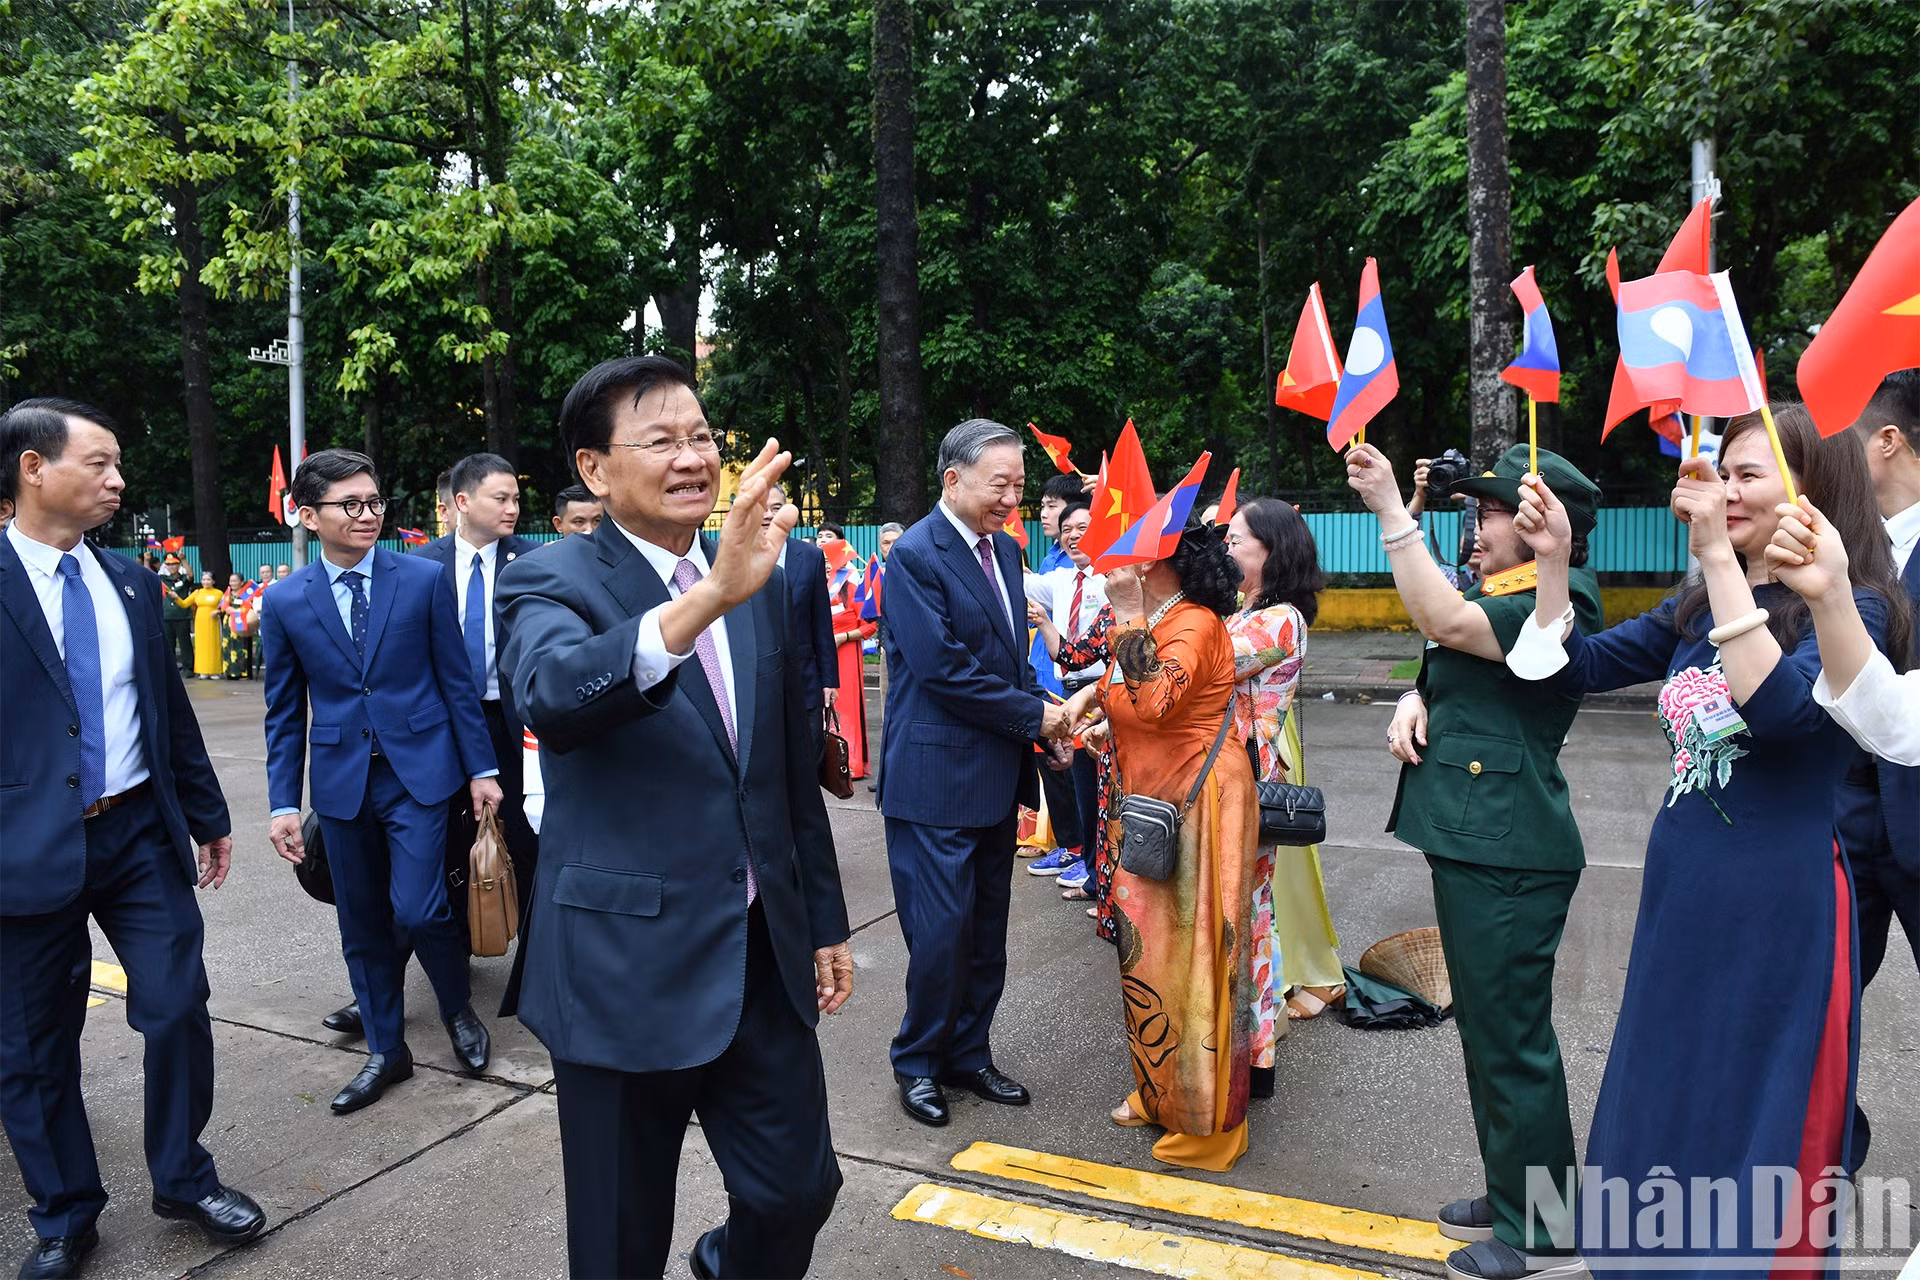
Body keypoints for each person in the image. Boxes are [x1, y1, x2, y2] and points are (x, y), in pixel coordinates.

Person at [1509, 405, 1911, 1278]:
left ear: (1814, 492)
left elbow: (1777, 711)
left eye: (1749, 474)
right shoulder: (1694, 602)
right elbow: (1576, 669)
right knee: (1669, 1089)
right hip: (1682, 894)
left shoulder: (1857, 609)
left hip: (1783, 906)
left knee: (1756, 1113)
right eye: (1720, 472)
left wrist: (1722, 561)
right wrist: (1552, 563)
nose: (1725, 490)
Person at [495, 355, 852, 1280]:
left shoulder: (763, 578)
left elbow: (780, 772)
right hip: (623, 966)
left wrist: (822, 922)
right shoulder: (550, 576)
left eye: (702, 437)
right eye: (661, 440)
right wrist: (706, 599)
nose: (692, 457)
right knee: (618, 1242)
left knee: (797, 1191)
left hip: (757, 954)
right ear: (594, 468)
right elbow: (554, 695)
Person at [0, 398, 266, 1280]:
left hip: (137, 838)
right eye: (100, 463)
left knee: (179, 1004)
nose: (118, 481)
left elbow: (167, 711)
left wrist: (209, 816)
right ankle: (65, 1212)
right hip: (21, 854)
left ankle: (184, 1178)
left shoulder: (127, 581)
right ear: (34, 468)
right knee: (34, 1048)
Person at [1347, 441, 1604, 1280]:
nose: (1478, 525)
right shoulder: (1507, 589)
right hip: (1480, 838)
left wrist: (1393, 509)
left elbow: (1445, 624)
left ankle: (1543, 1231)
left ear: (1542, 529)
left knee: (1512, 1042)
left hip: (1510, 848)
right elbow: (1452, 657)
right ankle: (1513, 1191)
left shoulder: (1560, 600)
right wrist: (1418, 695)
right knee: (1488, 1037)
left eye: (1492, 513)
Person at [260, 449, 501, 1115]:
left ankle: (458, 1012)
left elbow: (457, 683)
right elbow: (284, 711)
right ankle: (386, 1051)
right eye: (350, 505)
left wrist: (481, 770)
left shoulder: (420, 581)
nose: (368, 515)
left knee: (422, 908)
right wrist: (284, 801)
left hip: (421, 772)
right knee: (361, 921)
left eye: (374, 502)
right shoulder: (284, 601)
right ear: (308, 516)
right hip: (340, 780)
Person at [879, 417, 1074, 1128]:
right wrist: (1035, 718)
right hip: (934, 782)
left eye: (1020, 485)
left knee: (985, 929)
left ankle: (969, 1052)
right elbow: (945, 671)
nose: (1013, 498)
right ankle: (919, 1062)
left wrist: (1042, 720)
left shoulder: (1007, 550)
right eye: (1002, 484)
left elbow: (1005, 660)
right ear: (952, 479)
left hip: (993, 774)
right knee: (940, 933)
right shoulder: (916, 557)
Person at [1059, 523, 1258, 1172]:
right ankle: (1162, 1092)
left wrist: (1123, 616)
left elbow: (1157, 699)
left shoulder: (1192, 621)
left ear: (1162, 565)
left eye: (1136, 553)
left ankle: (1208, 1127)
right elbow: (1134, 703)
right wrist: (1102, 725)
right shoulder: (1163, 617)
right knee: (1150, 963)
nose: (1123, 561)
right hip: (1155, 807)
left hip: (1202, 810)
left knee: (1196, 965)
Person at [1832, 370, 1920, 1160]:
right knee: (1820, 1002)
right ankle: (1830, 1148)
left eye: (1849, 430)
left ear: (1887, 439)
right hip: (1847, 822)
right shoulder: (1847, 545)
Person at [1223, 498, 1333, 1091]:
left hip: (1248, 780)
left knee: (1247, 919)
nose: (1226, 550)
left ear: (1272, 551)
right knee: (1245, 916)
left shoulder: (1280, 619)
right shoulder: (1248, 610)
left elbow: (1202, 667)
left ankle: (1248, 1053)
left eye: (1236, 541)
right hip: (1234, 777)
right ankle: (1251, 1050)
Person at [414, 452, 540, 923]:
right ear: (462, 501)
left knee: (525, 838)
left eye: (516, 499)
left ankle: (531, 958)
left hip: (513, 726)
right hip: (444, 725)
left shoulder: (534, 562)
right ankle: (459, 950)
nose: (512, 508)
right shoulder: (420, 566)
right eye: (500, 498)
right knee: (450, 839)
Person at [1768, 500, 1920, 763]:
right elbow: (1890, 717)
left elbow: (1784, 707)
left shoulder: (1871, 604)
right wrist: (1829, 595)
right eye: (1725, 476)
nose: (1729, 492)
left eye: (1749, 476)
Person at [1026, 501, 1104, 896]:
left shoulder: (1116, 583)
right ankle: (1093, 876)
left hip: (1114, 697)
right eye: (1067, 528)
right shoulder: (1061, 578)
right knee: (1084, 793)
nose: (1073, 535)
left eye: (1083, 527)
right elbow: (1071, 655)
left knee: (1108, 799)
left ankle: (1106, 882)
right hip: (1078, 693)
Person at [765, 481, 836, 748]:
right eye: (762, 507)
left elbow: (821, 623)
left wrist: (829, 680)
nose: (769, 514)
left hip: (804, 679)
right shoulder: (735, 555)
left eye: (776, 507)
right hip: (756, 683)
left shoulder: (810, 556)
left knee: (808, 757)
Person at [825, 540, 876, 779]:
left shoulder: (851, 585)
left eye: (828, 562)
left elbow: (869, 626)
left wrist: (843, 636)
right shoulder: (817, 587)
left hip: (845, 655)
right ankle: (825, 762)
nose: (826, 567)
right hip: (821, 654)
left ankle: (849, 762)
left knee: (845, 707)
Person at [1036, 472, 1085, 572]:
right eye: (1042, 506)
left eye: (1051, 506)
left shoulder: (1085, 561)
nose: (1043, 514)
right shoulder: (1048, 559)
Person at [183, 570, 224, 679]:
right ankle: (202, 671)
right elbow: (184, 603)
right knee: (201, 645)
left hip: (213, 621)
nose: (206, 582)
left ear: (213, 581)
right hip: (200, 621)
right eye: (204, 579)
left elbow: (225, 606)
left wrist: (218, 611)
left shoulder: (219, 593)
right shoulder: (197, 592)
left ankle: (215, 670)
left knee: (214, 644)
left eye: (208, 579)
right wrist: (175, 597)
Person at [217, 573, 257, 680]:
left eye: (235, 581)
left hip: (241, 620)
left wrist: (235, 611)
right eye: (231, 581)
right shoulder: (228, 594)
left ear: (241, 582)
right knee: (228, 646)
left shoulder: (247, 594)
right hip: (228, 622)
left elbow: (250, 608)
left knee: (240, 646)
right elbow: (221, 606)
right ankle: (230, 672)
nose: (233, 583)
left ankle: (243, 672)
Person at [159, 553, 195, 669]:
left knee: (185, 643)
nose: (172, 567)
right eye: (169, 564)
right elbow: (146, 575)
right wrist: (146, 561)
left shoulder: (183, 578)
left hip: (182, 615)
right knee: (168, 645)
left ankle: (188, 667)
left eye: (174, 564)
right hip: (167, 615)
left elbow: (190, 575)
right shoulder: (162, 579)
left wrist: (184, 559)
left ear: (178, 565)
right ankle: (170, 668)